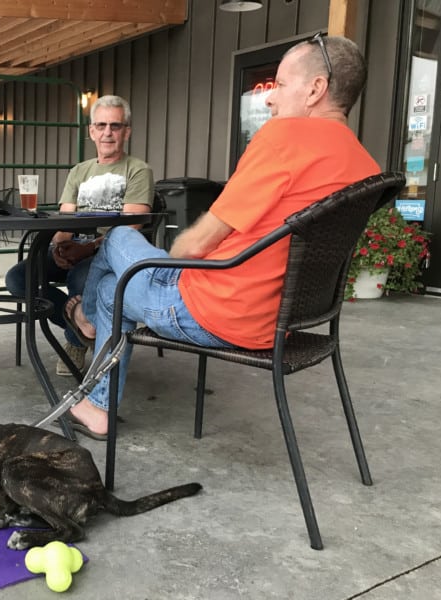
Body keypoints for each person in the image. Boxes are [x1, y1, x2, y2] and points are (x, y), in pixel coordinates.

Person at [64, 34, 382, 440]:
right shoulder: (363, 165)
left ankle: (91, 356)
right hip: (280, 319)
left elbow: (195, 245)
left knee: (115, 255)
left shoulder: (284, 138)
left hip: (215, 310)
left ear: (316, 89)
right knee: (121, 271)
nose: (269, 98)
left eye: (281, 86)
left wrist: (170, 265)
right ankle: (94, 383)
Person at [4, 95, 154, 376]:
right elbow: (65, 219)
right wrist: (61, 246)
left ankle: (74, 342)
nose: (108, 132)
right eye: (101, 125)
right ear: (92, 131)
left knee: (80, 277)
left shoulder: (138, 170)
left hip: (111, 252)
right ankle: (81, 324)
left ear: (127, 131)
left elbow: (130, 226)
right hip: (76, 246)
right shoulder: (79, 171)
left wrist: (87, 249)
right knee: (18, 278)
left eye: (115, 125)